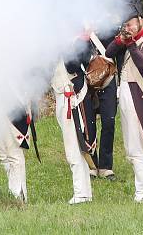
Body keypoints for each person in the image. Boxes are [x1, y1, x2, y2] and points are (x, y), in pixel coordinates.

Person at [105, 0, 143, 203]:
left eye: (130, 23)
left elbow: (141, 61)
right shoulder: (132, 40)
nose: (128, 27)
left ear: (140, 21)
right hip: (127, 95)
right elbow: (109, 52)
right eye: (125, 24)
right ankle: (142, 191)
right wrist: (122, 39)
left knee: (138, 147)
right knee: (131, 147)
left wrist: (129, 43)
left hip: (140, 97)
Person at [51, 42, 95, 205]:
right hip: (61, 94)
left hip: (72, 96)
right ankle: (84, 192)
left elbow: (72, 66)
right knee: (75, 146)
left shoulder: (77, 41)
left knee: (74, 147)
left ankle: (81, 193)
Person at [85, 30, 121, 181]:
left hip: (109, 77)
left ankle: (106, 166)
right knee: (89, 122)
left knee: (109, 121)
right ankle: (92, 165)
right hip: (87, 77)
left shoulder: (111, 25)